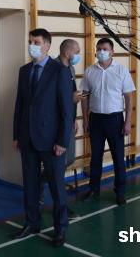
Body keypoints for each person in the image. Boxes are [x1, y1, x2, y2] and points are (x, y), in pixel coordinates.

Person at [12, 28, 74, 247]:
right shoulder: (24, 71)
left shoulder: (60, 71)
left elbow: (66, 110)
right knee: (30, 185)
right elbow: (20, 105)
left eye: (36, 42)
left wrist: (62, 141)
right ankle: (32, 222)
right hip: (27, 138)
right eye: (30, 41)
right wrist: (16, 135)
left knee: (57, 187)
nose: (32, 45)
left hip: (52, 141)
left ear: (47, 45)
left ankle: (60, 228)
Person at [81, 37, 135, 206]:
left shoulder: (121, 70)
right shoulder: (89, 71)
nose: (101, 52)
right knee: (95, 157)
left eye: (104, 49)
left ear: (112, 52)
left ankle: (120, 192)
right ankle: (94, 189)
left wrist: (127, 122)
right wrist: (85, 119)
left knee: (118, 158)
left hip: (115, 119)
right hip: (95, 119)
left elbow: (129, 98)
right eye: (99, 49)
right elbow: (84, 96)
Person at [39, 39, 83, 220]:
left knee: (68, 160)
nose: (78, 55)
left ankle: (39, 183)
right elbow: (50, 100)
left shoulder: (70, 68)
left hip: (67, 123)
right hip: (55, 126)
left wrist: (73, 118)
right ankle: (60, 207)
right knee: (58, 165)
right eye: (77, 52)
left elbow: (69, 98)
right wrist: (70, 100)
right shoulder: (53, 69)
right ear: (67, 52)